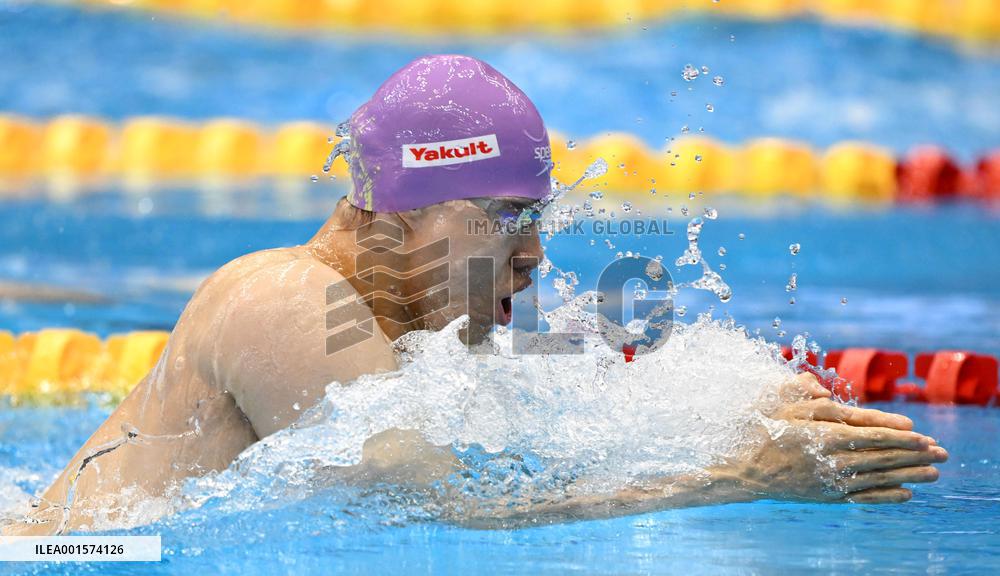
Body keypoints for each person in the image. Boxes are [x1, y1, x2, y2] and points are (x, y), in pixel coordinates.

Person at [4, 55, 946, 535]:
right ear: (402, 213)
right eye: (503, 217)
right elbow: (433, 508)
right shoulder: (282, 299)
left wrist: (732, 414)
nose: (534, 256)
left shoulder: (399, 334)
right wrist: (732, 478)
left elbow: (542, 448)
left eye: (536, 218)